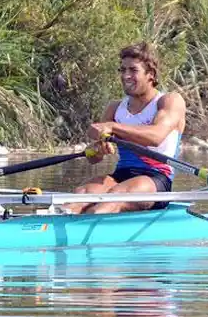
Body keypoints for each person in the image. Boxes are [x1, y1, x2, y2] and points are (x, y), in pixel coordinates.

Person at [70, 42, 186, 215]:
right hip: (121, 174)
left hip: (155, 180)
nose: (126, 76)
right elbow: (95, 159)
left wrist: (113, 127)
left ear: (151, 75)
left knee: (110, 201)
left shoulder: (169, 101)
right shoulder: (115, 107)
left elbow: (156, 136)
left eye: (133, 70)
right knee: (81, 196)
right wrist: (97, 149)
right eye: (122, 70)